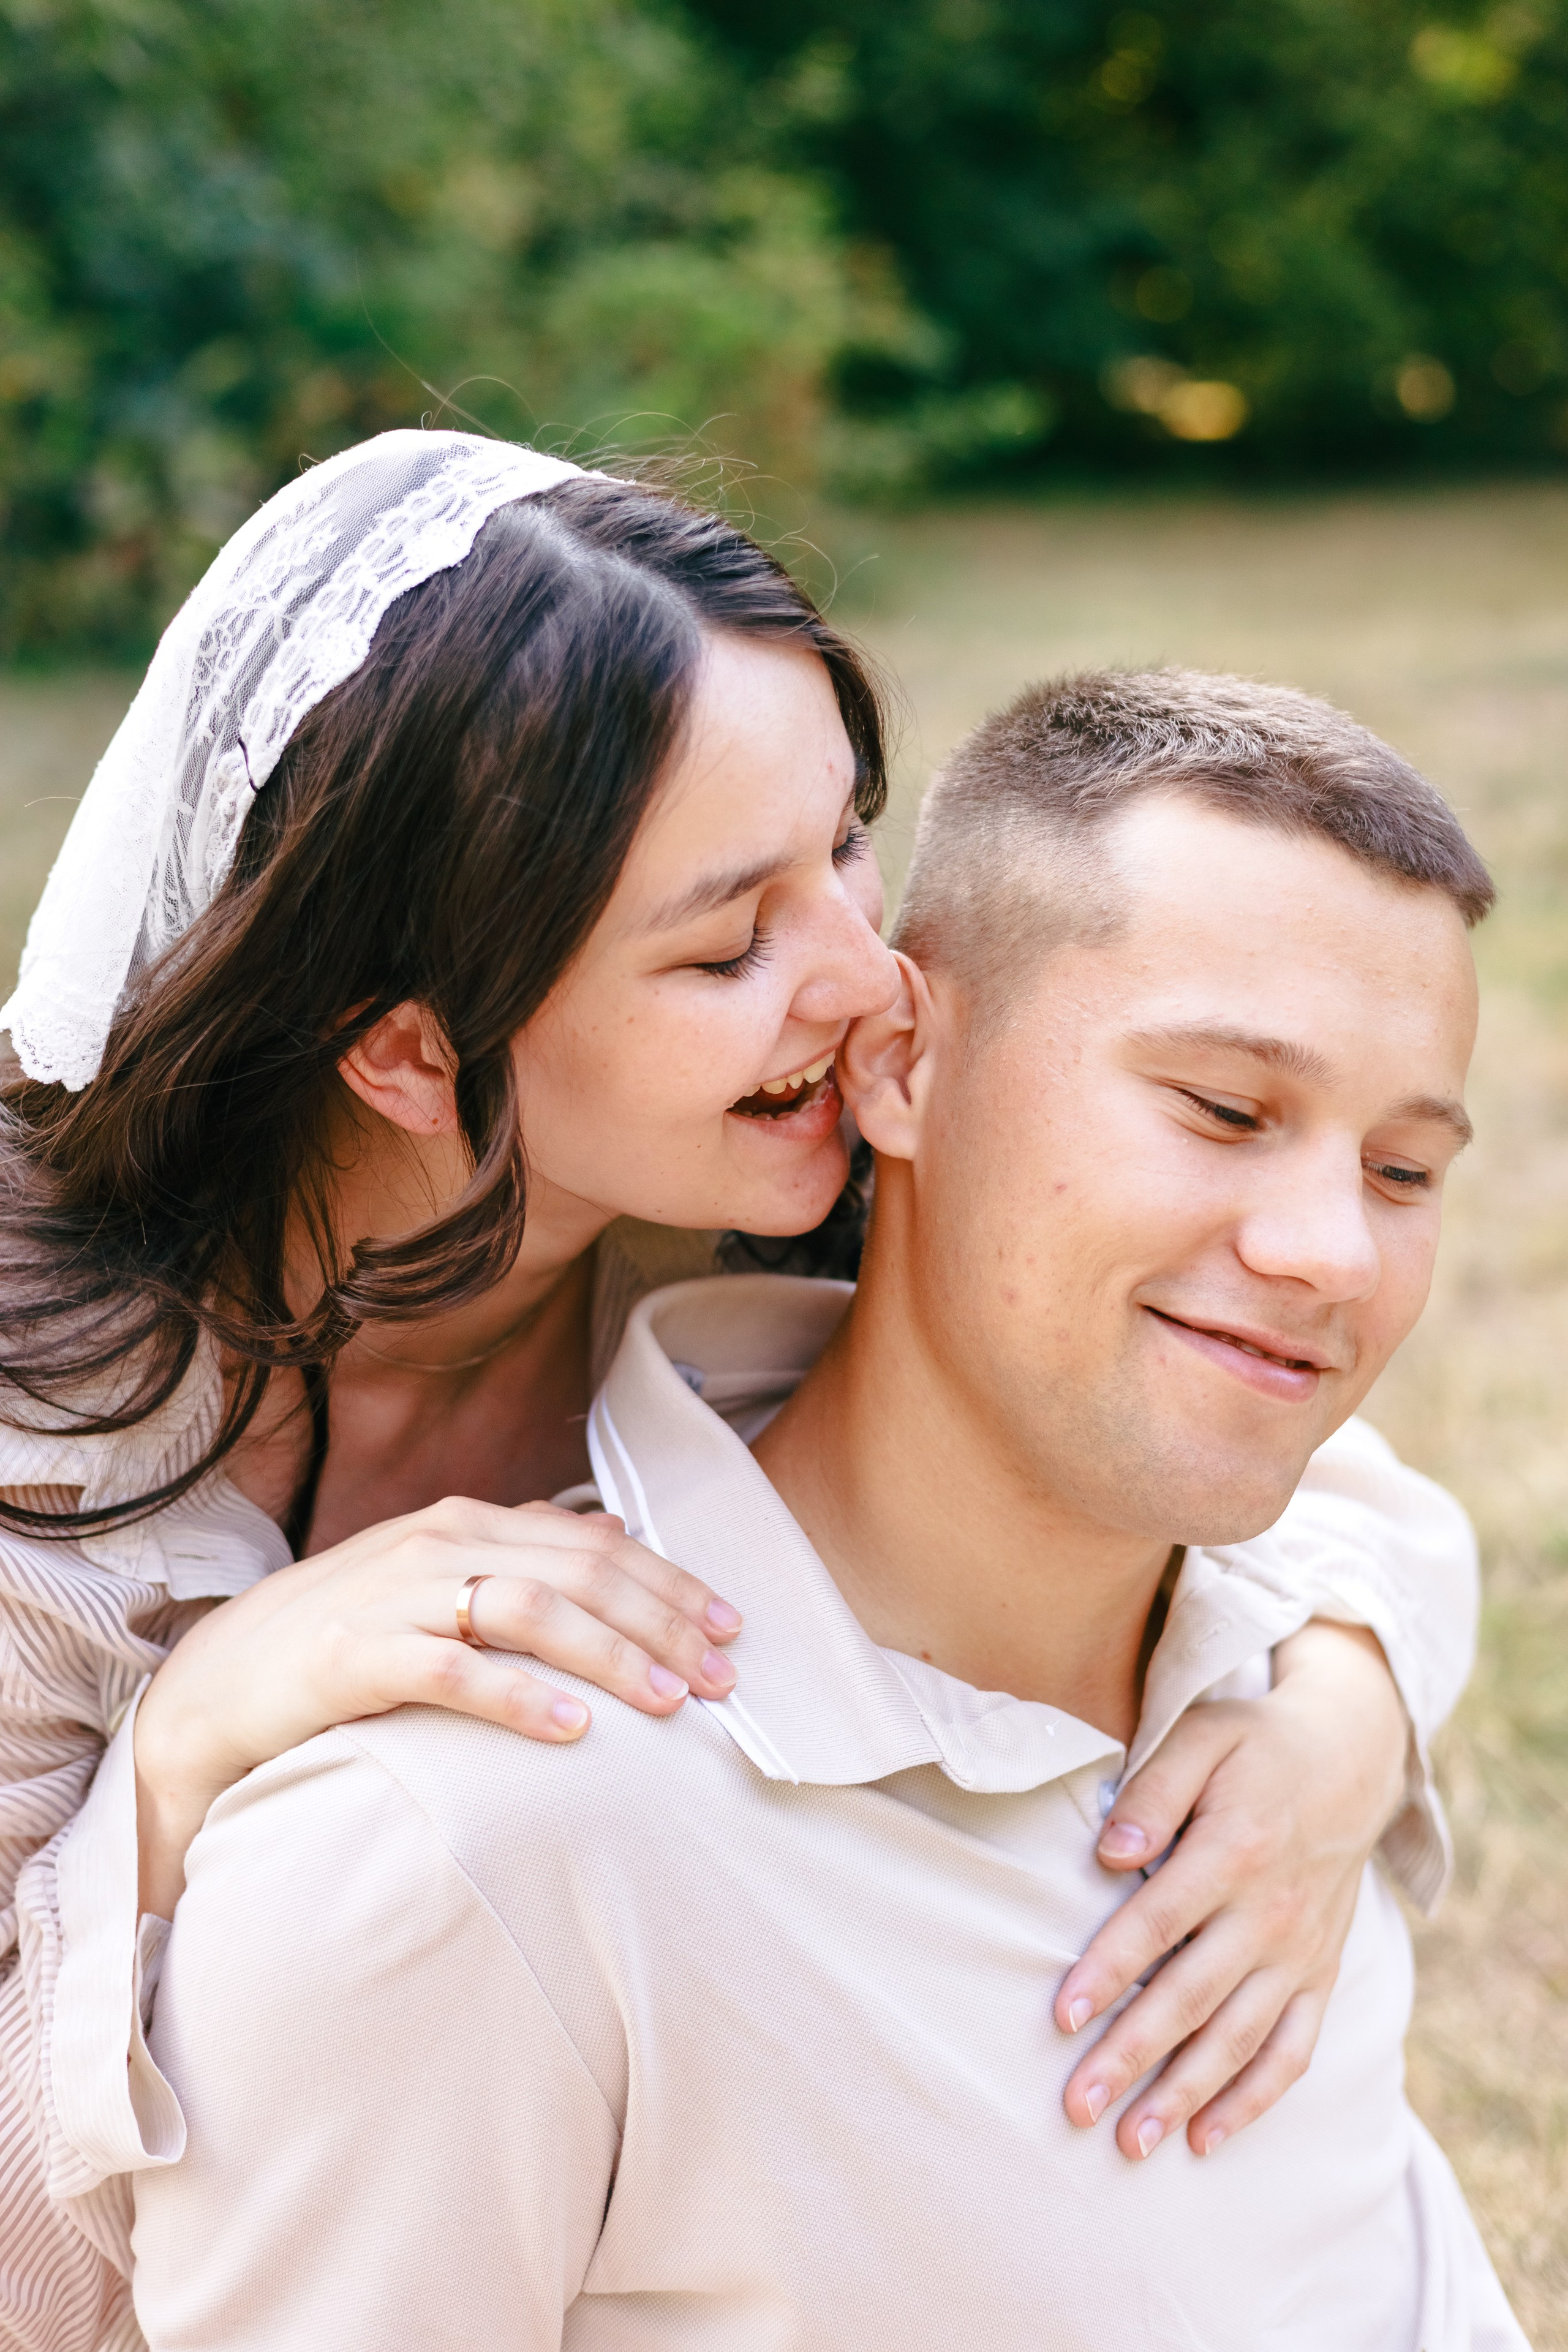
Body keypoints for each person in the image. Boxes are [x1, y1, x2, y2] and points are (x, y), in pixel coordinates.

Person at [0, 435, 1469, 2348]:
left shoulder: (769, 1177)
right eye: (728, 941)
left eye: (844, 839)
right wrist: (187, 1759)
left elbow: (1297, 1446)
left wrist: (1337, 1720)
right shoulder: (48, 1472)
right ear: (406, 1047)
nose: (871, 978)